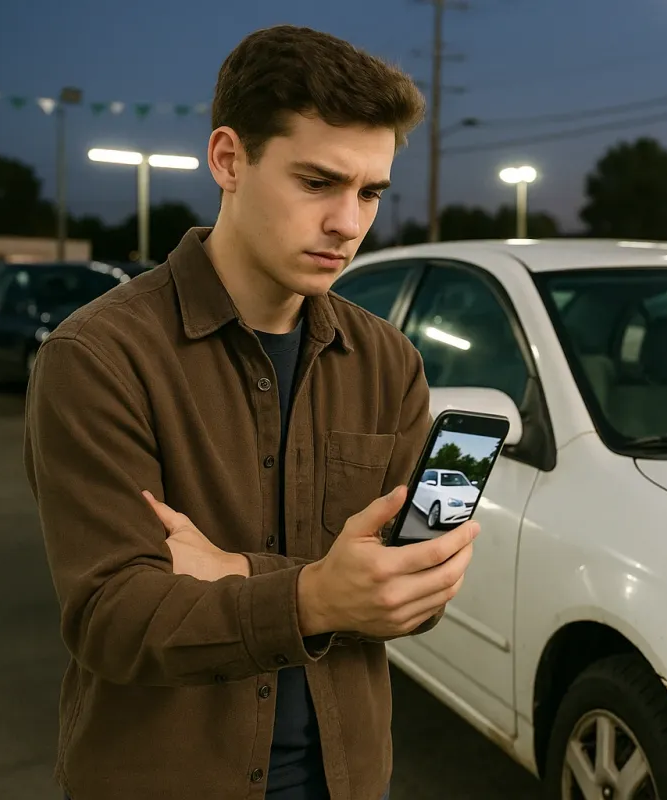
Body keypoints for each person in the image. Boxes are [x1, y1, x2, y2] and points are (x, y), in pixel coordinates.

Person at [24, 24, 478, 800]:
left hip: (348, 779)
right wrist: (318, 594)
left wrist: (235, 573)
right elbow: (113, 617)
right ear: (229, 159)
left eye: (370, 192)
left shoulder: (388, 362)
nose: (349, 222)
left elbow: (410, 596)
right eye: (317, 182)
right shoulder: (97, 356)